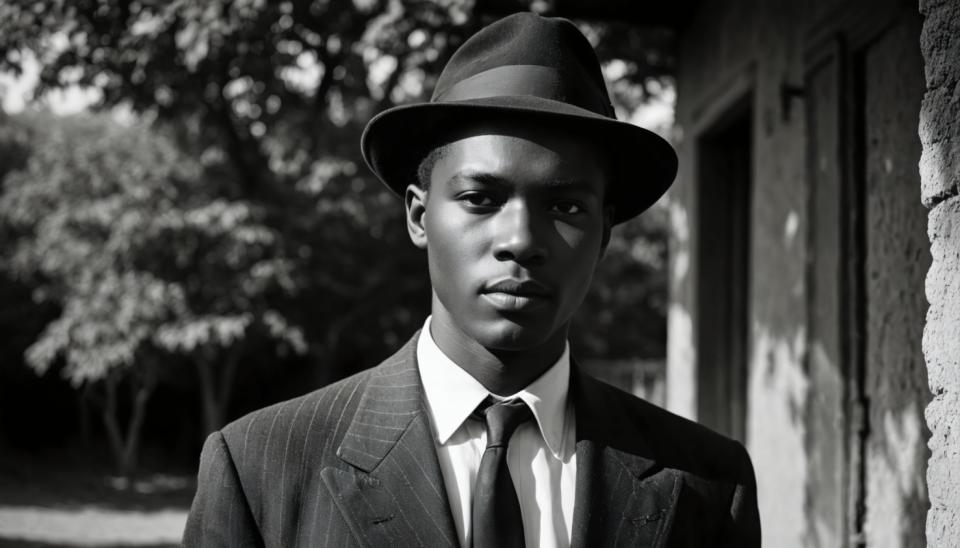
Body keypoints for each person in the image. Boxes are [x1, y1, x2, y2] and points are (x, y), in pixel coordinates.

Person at [183, 12, 760, 548]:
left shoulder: (708, 481)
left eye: (566, 208)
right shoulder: (261, 466)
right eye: (480, 198)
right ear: (418, 215)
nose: (521, 239)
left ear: (605, 233)